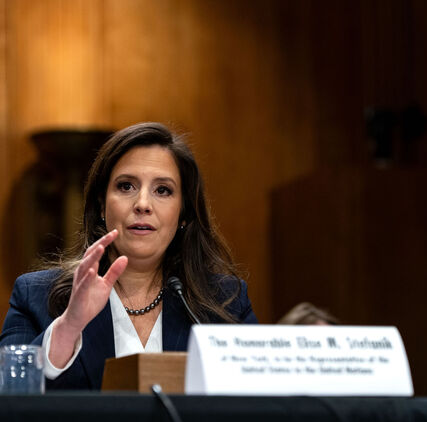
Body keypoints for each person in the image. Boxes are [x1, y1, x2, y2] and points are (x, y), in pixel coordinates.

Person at [0, 122, 258, 390]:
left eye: (163, 190)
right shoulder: (36, 296)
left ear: (183, 213)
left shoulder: (226, 303)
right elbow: (8, 398)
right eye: (126, 186)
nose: (143, 204)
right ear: (101, 204)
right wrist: (69, 326)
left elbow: (264, 404)